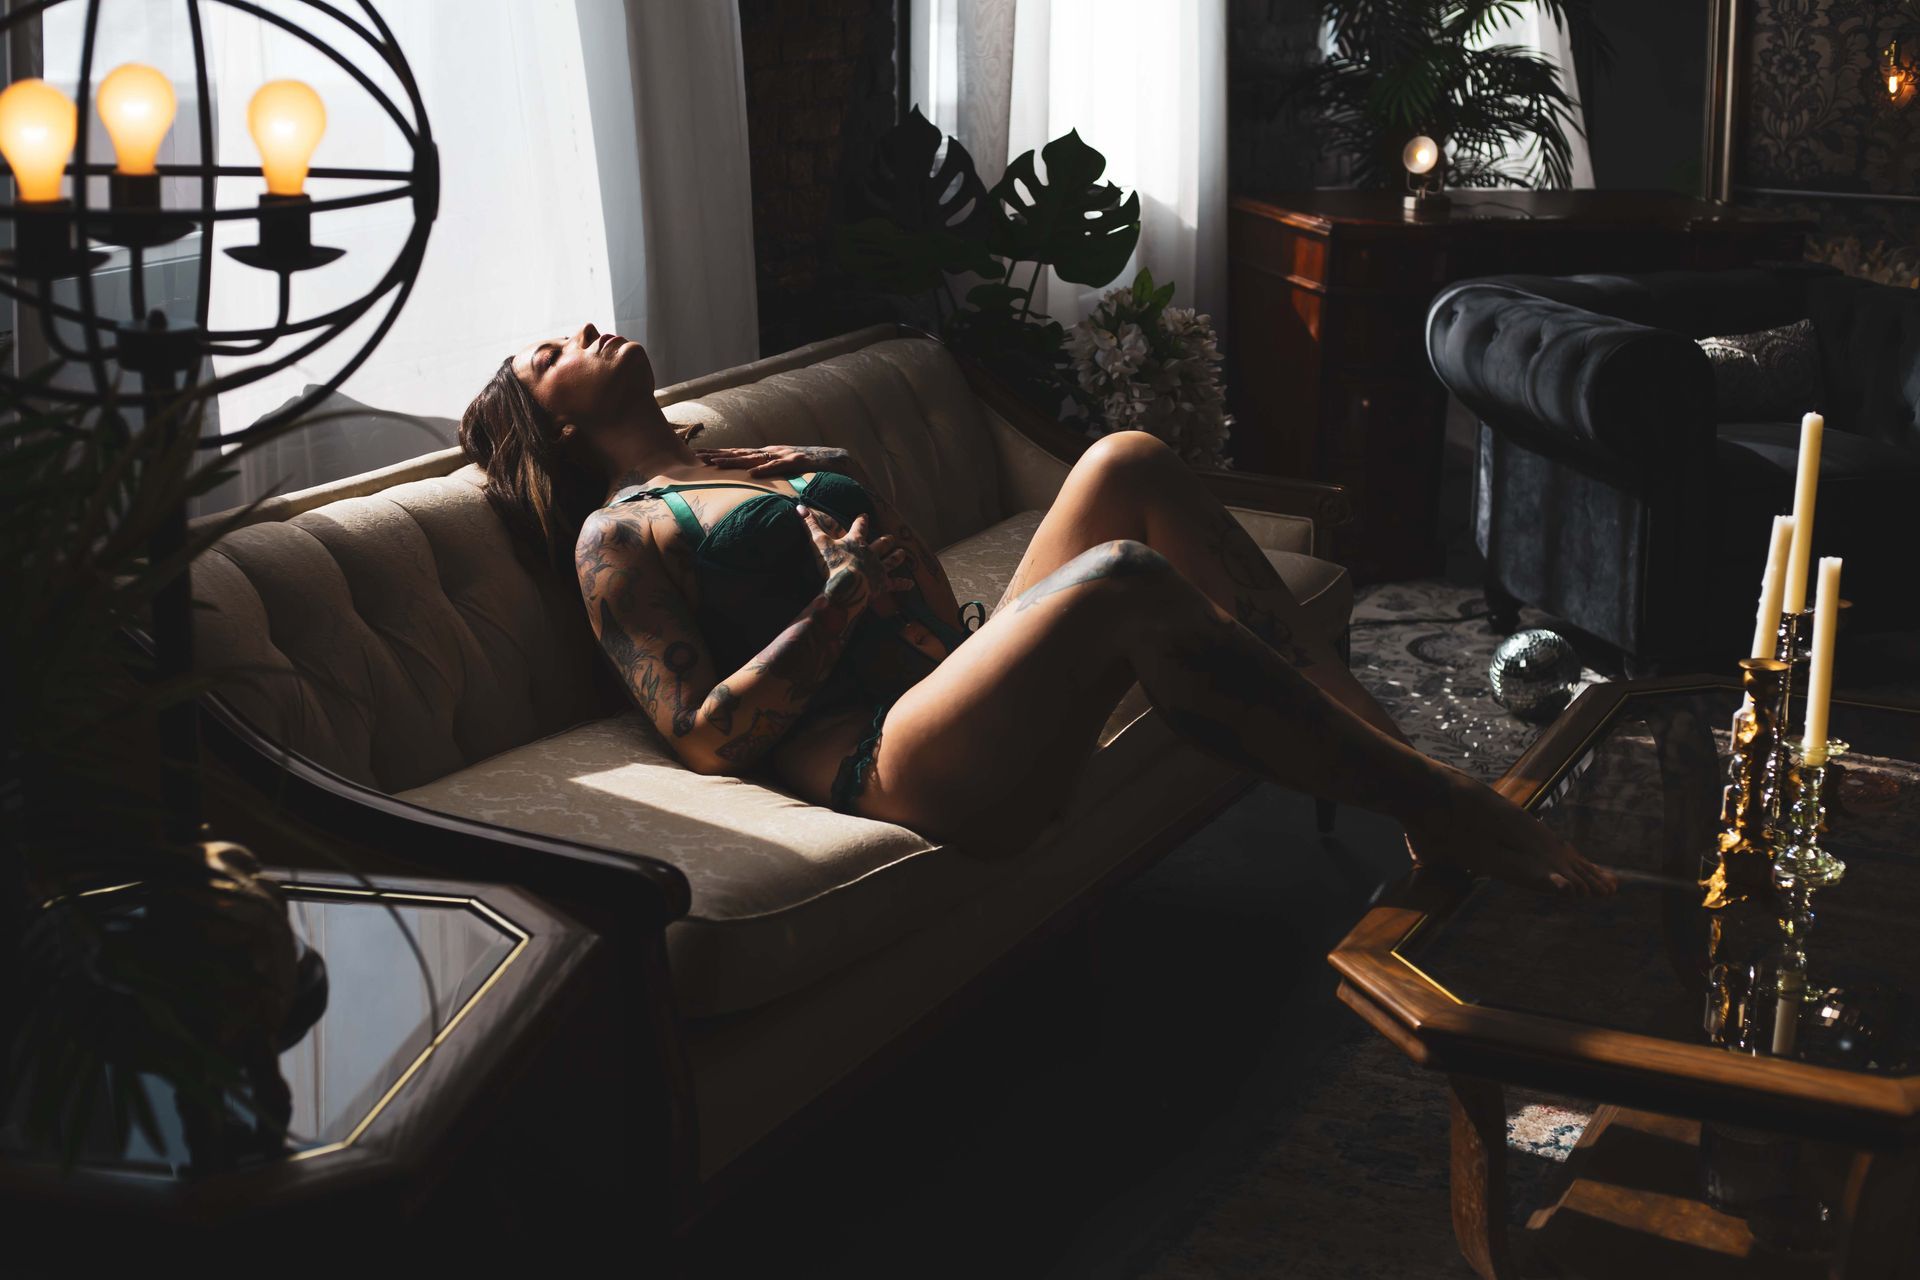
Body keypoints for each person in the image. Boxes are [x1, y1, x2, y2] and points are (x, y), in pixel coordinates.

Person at [459, 323, 1614, 895]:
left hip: (950, 671)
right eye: (554, 350)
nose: (586, 329)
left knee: (1128, 460)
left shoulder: (763, 455)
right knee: (1120, 578)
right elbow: (705, 732)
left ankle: (1395, 767)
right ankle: (1452, 804)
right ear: (552, 421)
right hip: (884, 753)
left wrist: (908, 589)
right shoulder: (618, 533)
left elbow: (906, 574)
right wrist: (840, 601)